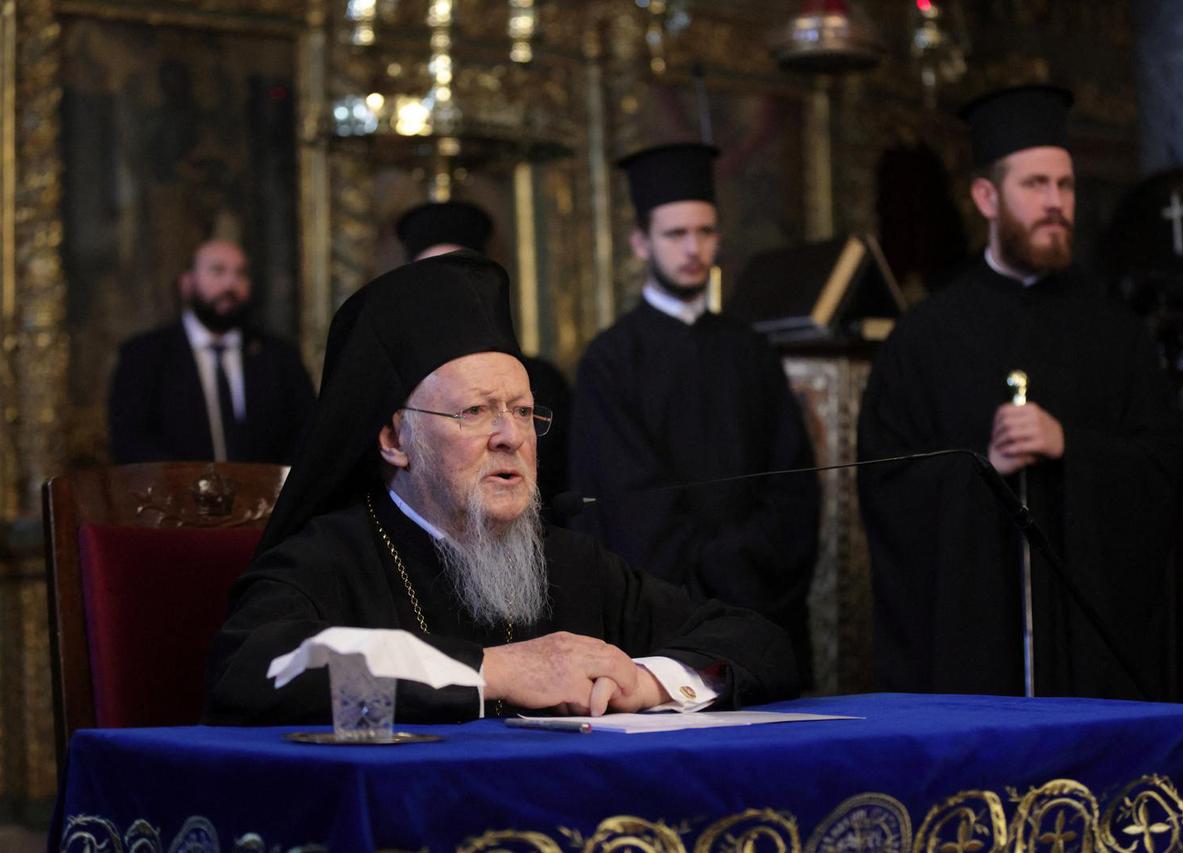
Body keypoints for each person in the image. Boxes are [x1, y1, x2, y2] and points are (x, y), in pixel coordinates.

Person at [204, 252, 796, 725]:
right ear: (393, 439)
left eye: (522, 410)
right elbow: (251, 666)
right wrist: (493, 673)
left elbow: (757, 641)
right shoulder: (327, 559)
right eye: (475, 411)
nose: (511, 436)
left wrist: (646, 682)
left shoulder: (571, 562)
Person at [858, 85, 1183, 699]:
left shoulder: (1116, 333)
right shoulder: (924, 337)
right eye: (1035, 186)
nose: (1056, 203)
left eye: (1064, 186)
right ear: (987, 196)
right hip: (971, 650)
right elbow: (885, 487)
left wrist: (1072, 447)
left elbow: (1162, 466)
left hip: (1088, 659)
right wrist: (982, 469)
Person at [569, 143, 820, 684]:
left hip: (762, 610)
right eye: (675, 234)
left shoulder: (751, 349)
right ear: (641, 243)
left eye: (705, 233)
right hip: (660, 622)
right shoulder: (611, 361)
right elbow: (625, 503)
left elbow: (793, 483)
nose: (693, 249)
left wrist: (742, 564)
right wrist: (705, 577)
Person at [395, 200, 574, 499]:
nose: (447, 292)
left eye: (460, 275)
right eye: (431, 278)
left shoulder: (541, 380)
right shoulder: (394, 379)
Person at [108, 239, 315, 464]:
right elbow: (130, 442)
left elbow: (306, 437)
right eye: (218, 271)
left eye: (240, 274)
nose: (230, 284)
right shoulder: (144, 356)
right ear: (187, 283)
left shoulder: (280, 357)